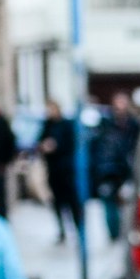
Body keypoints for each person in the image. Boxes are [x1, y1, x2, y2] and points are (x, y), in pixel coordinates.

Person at [90, 91, 140, 241]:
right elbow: (97, 146)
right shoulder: (105, 124)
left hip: (126, 170)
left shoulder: (133, 125)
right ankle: (115, 234)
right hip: (107, 170)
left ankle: (123, 232)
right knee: (109, 206)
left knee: (127, 205)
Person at [38, 99, 82, 246]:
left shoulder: (66, 124)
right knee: (57, 203)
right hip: (53, 170)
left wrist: (57, 146)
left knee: (72, 203)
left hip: (66, 170)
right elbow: (40, 141)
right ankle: (62, 230)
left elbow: (72, 143)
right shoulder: (47, 124)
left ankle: (78, 229)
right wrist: (44, 147)